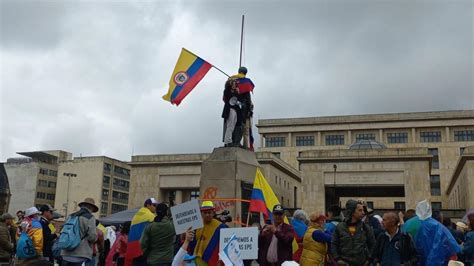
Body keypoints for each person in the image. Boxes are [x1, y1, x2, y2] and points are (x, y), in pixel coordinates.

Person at [331, 199, 375, 266]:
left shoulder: (365, 227)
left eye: (363, 210)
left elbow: (373, 244)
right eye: (360, 210)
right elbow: (334, 244)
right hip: (344, 263)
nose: (363, 213)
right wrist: (337, 259)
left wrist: (368, 260)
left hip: (361, 263)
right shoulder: (339, 227)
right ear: (352, 212)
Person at [61, 197, 99, 266]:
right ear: (91, 207)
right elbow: (92, 237)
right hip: (80, 254)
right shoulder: (90, 217)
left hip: (65, 254)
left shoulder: (71, 216)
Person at [189, 201, 228, 266]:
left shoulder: (220, 226)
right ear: (201, 213)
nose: (207, 215)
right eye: (205, 213)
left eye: (209, 212)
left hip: (211, 261)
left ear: (213, 213)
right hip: (196, 259)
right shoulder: (196, 226)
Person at [125, 197, 157, 266]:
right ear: (148, 205)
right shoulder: (151, 216)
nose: (155, 207)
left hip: (133, 250)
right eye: (154, 205)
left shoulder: (135, 216)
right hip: (144, 250)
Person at [222, 78, 243, 147]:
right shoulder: (227, 91)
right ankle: (228, 141)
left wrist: (238, 92)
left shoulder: (236, 92)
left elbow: (238, 101)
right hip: (230, 109)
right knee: (230, 126)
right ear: (230, 84)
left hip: (235, 110)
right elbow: (226, 97)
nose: (234, 85)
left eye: (235, 84)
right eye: (233, 84)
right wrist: (230, 81)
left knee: (233, 126)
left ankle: (228, 141)